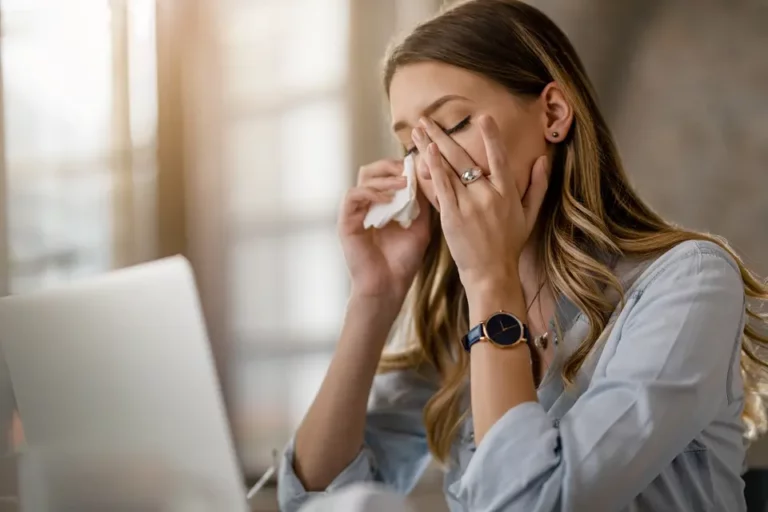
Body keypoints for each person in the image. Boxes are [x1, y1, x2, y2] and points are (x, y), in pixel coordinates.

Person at [277, 1, 768, 510]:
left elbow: (534, 504)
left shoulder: (690, 282)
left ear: (553, 114)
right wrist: (373, 295)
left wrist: (491, 282)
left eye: (453, 123)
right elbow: (316, 497)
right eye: (412, 146)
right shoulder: (455, 319)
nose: (432, 163)